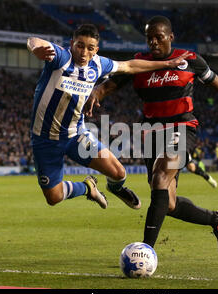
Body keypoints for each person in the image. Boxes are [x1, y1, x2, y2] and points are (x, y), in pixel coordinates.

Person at [86, 16, 218, 253]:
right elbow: (107, 86)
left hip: (182, 128)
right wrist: (96, 93)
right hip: (150, 134)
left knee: (159, 178)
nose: (154, 42)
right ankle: (217, 219)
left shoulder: (189, 60)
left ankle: (146, 251)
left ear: (170, 37)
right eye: (149, 38)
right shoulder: (139, 63)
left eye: (158, 37)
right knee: (168, 203)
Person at [27, 24, 191, 210]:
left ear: (96, 50)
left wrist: (167, 64)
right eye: (80, 46)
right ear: (72, 44)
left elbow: (129, 66)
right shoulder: (61, 58)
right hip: (45, 140)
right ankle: (88, 188)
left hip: (75, 136)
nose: (84, 52)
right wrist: (35, 48)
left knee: (119, 173)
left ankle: (115, 188)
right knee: (54, 197)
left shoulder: (98, 64)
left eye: (90, 48)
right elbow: (34, 40)